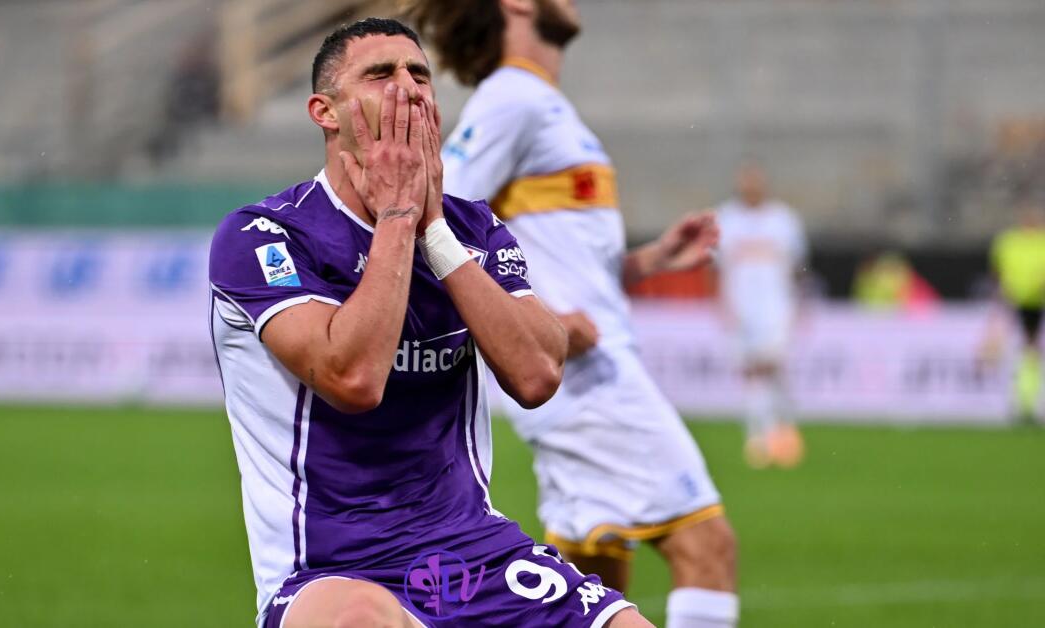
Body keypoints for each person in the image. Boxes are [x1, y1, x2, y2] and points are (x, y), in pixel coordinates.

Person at [208, 17, 656, 628]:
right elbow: (353, 378)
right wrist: (396, 212)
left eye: (420, 74)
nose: (409, 88)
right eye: (380, 74)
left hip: (475, 552)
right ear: (325, 111)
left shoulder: (472, 229)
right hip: (334, 568)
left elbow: (537, 374)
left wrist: (434, 232)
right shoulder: (266, 235)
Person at [407, 2, 740, 627]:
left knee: (591, 586)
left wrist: (647, 261)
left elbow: (551, 258)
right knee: (706, 544)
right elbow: (433, 216)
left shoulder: (539, 102)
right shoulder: (513, 99)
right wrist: (546, 321)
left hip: (577, 373)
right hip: (586, 378)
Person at [716, 162, 809, 468]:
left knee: (772, 368)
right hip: (742, 308)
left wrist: (801, 305)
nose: (750, 187)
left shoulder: (783, 220)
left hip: (776, 307)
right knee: (751, 371)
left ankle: (782, 431)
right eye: (746, 181)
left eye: (755, 181)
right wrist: (721, 304)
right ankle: (758, 437)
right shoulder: (726, 219)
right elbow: (716, 268)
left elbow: (797, 267)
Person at [989, 203, 1045, 421]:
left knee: (1028, 350)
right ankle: (1021, 401)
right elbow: (997, 270)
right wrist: (1002, 289)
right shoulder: (1008, 242)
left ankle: (1026, 402)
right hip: (1014, 302)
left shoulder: (1040, 242)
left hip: (1036, 301)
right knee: (1019, 349)